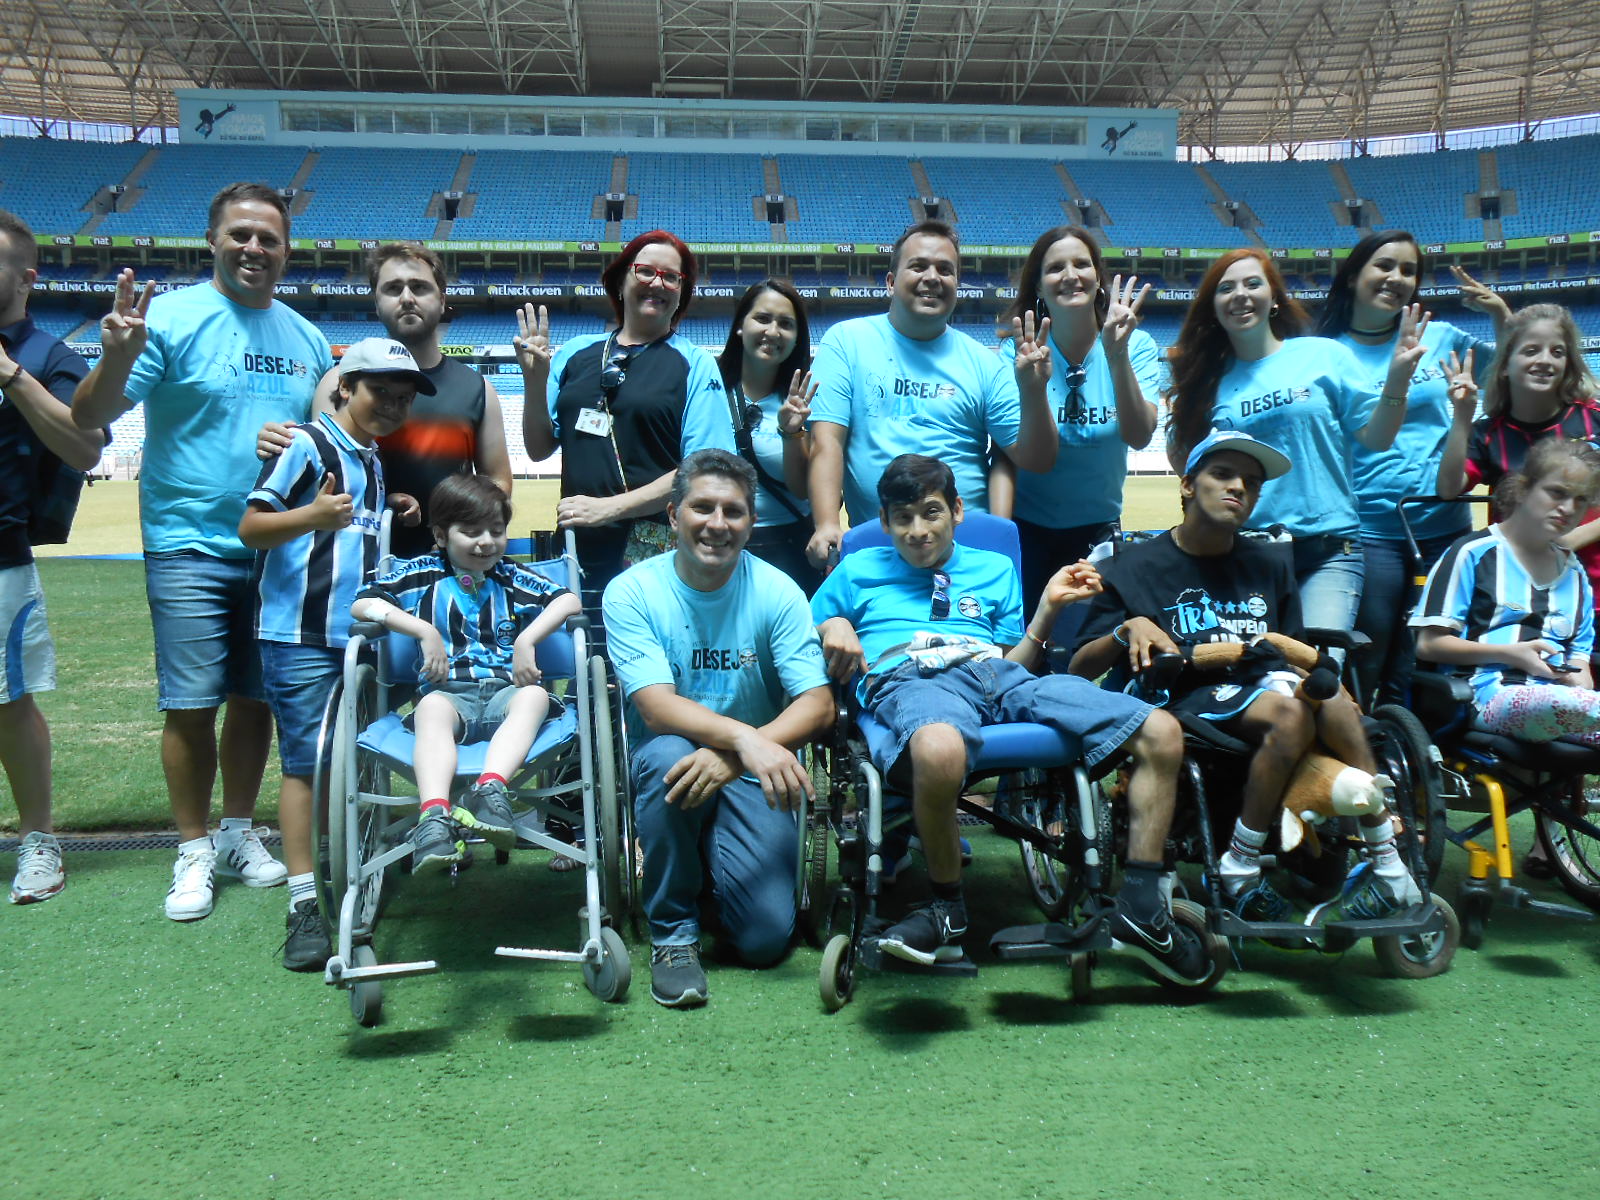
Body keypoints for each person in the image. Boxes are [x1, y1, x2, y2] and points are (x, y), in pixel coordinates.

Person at [810, 453, 1206, 983]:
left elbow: (1011, 663)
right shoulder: (856, 571)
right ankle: (945, 908)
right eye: (901, 518)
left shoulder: (994, 568)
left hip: (998, 677)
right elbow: (797, 631)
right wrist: (832, 623)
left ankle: (1141, 905)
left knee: (1161, 730)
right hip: (911, 679)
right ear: (883, 523)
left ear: (956, 510)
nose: (917, 530)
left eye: (931, 512)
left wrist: (1047, 609)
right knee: (940, 748)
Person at [72, 182, 334, 922]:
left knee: (256, 701)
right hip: (188, 542)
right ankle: (191, 848)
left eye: (269, 239)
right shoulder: (173, 318)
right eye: (241, 235)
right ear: (213, 239)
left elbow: (324, 443)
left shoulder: (306, 339)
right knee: (190, 704)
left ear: (288, 250)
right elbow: (89, 416)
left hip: (277, 550)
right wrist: (115, 356)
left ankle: (235, 829)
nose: (255, 248)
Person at [1071, 430, 1425, 926]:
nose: (1238, 487)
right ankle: (1242, 862)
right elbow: (1079, 667)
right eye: (1223, 474)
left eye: (1252, 483)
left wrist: (1330, 680)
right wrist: (1127, 628)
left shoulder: (1270, 562)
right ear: (1189, 485)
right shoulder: (1131, 566)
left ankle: (1388, 858)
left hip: (1265, 685)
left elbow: (1293, 649)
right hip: (1182, 693)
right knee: (1292, 709)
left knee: (1333, 699)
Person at [602, 449, 832, 1008]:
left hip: (754, 769)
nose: (717, 524)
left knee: (761, 941)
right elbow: (657, 708)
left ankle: (700, 864)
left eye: (734, 512)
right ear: (673, 514)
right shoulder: (632, 591)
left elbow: (819, 704)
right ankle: (674, 934)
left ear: (752, 522)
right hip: (680, 757)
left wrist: (739, 752)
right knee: (667, 754)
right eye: (702, 508)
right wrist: (745, 738)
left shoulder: (778, 591)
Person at [239, 338, 428, 969]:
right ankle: (302, 902)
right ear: (345, 388)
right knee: (307, 765)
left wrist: (389, 508)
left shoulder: (370, 458)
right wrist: (313, 515)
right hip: (302, 636)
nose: (393, 407)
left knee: (352, 757)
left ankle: (350, 867)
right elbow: (253, 526)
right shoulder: (309, 445)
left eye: (403, 398)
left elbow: (355, 536)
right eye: (382, 393)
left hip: (359, 638)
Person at [1164, 248, 1428, 636]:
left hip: (1329, 549)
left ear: (1273, 298)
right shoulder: (1208, 382)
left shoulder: (1324, 355)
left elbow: (1377, 437)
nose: (1241, 294)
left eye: (1253, 283)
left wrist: (1398, 382)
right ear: (1214, 308)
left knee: (1316, 671)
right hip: (1245, 550)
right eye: (1226, 288)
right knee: (1255, 674)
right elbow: (1185, 463)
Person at [1315, 231, 1507, 706]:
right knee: (1370, 649)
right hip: (1368, 530)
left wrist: (1502, 317)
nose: (1396, 278)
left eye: (1408, 270)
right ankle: (1361, 749)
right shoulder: (1325, 352)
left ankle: (1417, 753)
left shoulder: (1441, 338)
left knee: (1425, 657)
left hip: (1444, 526)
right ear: (1354, 274)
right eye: (1384, 265)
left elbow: (1512, 374)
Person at [354, 474, 581, 874]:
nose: (486, 542)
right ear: (441, 535)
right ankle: (435, 818)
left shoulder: (510, 577)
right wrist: (422, 629)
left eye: (496, 531)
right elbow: (362, 604)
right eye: (471, 531)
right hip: (449, 696)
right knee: (430, 710)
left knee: (535, 696)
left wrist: (527, 640)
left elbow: (567, 599)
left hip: (505, 694)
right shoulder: (421, 574)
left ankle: (490, 790)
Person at [804, 219, 1059, 569]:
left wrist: (1034, 391)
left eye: (945, 269)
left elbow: (1037, 459)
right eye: (919, 266)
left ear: (957, 284)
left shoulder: (984, 362)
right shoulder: (846, 342)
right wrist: (827, 523)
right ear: (891, 282)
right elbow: (826, 441)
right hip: (880, 546)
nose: (933, 277)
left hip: (967, 552)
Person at [518, 231, 735, 610]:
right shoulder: (575, 353)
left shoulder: (694, 363)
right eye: (646, 271)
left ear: (682, 293)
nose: (657, 283)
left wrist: (609, 508)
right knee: (582, 656)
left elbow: (705, 469)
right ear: (621, 281)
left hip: (655, 551)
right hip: (576, 544)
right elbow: (538, 449)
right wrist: (534, 381)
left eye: (671, 277)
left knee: (649, 659)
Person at [261, 242, 514, 557]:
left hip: (447, 568)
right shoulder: (339, 381)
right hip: (353, 568)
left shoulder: (478, 389)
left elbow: (498, 481)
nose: (407, 298)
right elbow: (322, 475)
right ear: (377, 302)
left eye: (419, 287)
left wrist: (463, 519)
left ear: (442, 299)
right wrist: (383, 501)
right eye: (393, 289)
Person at [0, 208, 105, 904]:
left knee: (9, 701)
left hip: (0, 555)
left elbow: (83, 445)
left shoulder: (50, 357)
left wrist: (8, 374)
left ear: (26, 276)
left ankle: (38, 838)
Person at [992, 225, 1161, 615]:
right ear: (1039, 285)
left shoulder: (1137, 345)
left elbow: (1138, 435)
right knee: (1029, 649)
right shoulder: (1015, 353)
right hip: (1027, 530)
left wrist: (1117, 357)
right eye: (1055, 268)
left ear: (1098, 278)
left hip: (1099, 530)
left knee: (1091, 648)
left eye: (1081, 264)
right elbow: (1007, 453)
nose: (1070, 275)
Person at [1416, 439, 1599, 747]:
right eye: (1557, 492)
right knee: (1570, 706)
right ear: (1524, 488)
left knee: (1575, 704)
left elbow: (1579, 658)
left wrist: (1577, 678)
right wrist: (1510, 654)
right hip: (1484, 696)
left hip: (1564, 704)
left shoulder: (1574, 573)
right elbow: (1428, 644)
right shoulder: (1473, 553)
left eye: (1580, 500)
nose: (1568, 508)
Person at [1436, 303, 1600, 610]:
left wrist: (1571, 540)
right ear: (1506, 364)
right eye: (1531, 350)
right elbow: (1448, 488)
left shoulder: (1595, 418)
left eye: (1557, 352)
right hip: (1524, 594)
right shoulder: (1487, 433)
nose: (1544, 360)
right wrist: (1462, 417)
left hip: (1597, 592)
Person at [715, 279, 821, 592]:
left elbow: (802, 490)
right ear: (739, 326)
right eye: (762, 319)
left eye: (786, 324)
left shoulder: (806, 400)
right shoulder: (706, 388)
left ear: (797, 337)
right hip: (716, 541)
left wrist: (791, 432)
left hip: (788, 547)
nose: (773, 332)